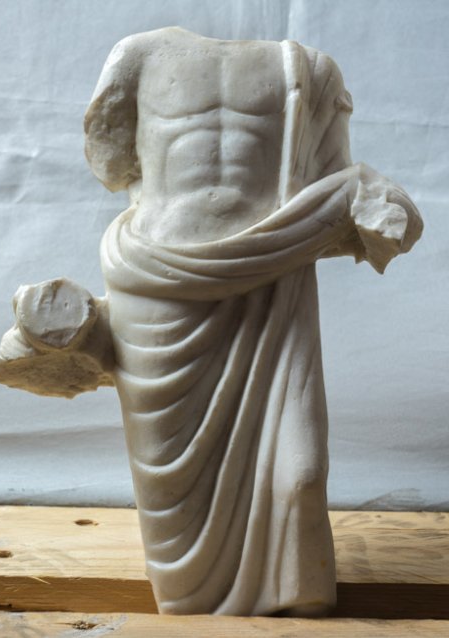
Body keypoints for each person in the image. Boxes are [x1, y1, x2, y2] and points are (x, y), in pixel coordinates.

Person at [85, 27, 422, 616]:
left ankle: (299, 606)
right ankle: (193, 608)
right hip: (160, 286)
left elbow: (332, 193)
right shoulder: (138, 55)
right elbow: (110, 163)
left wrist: (373, 205)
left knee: (300, 474)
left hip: (272, 278)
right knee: (173, 488)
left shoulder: (311, 70)